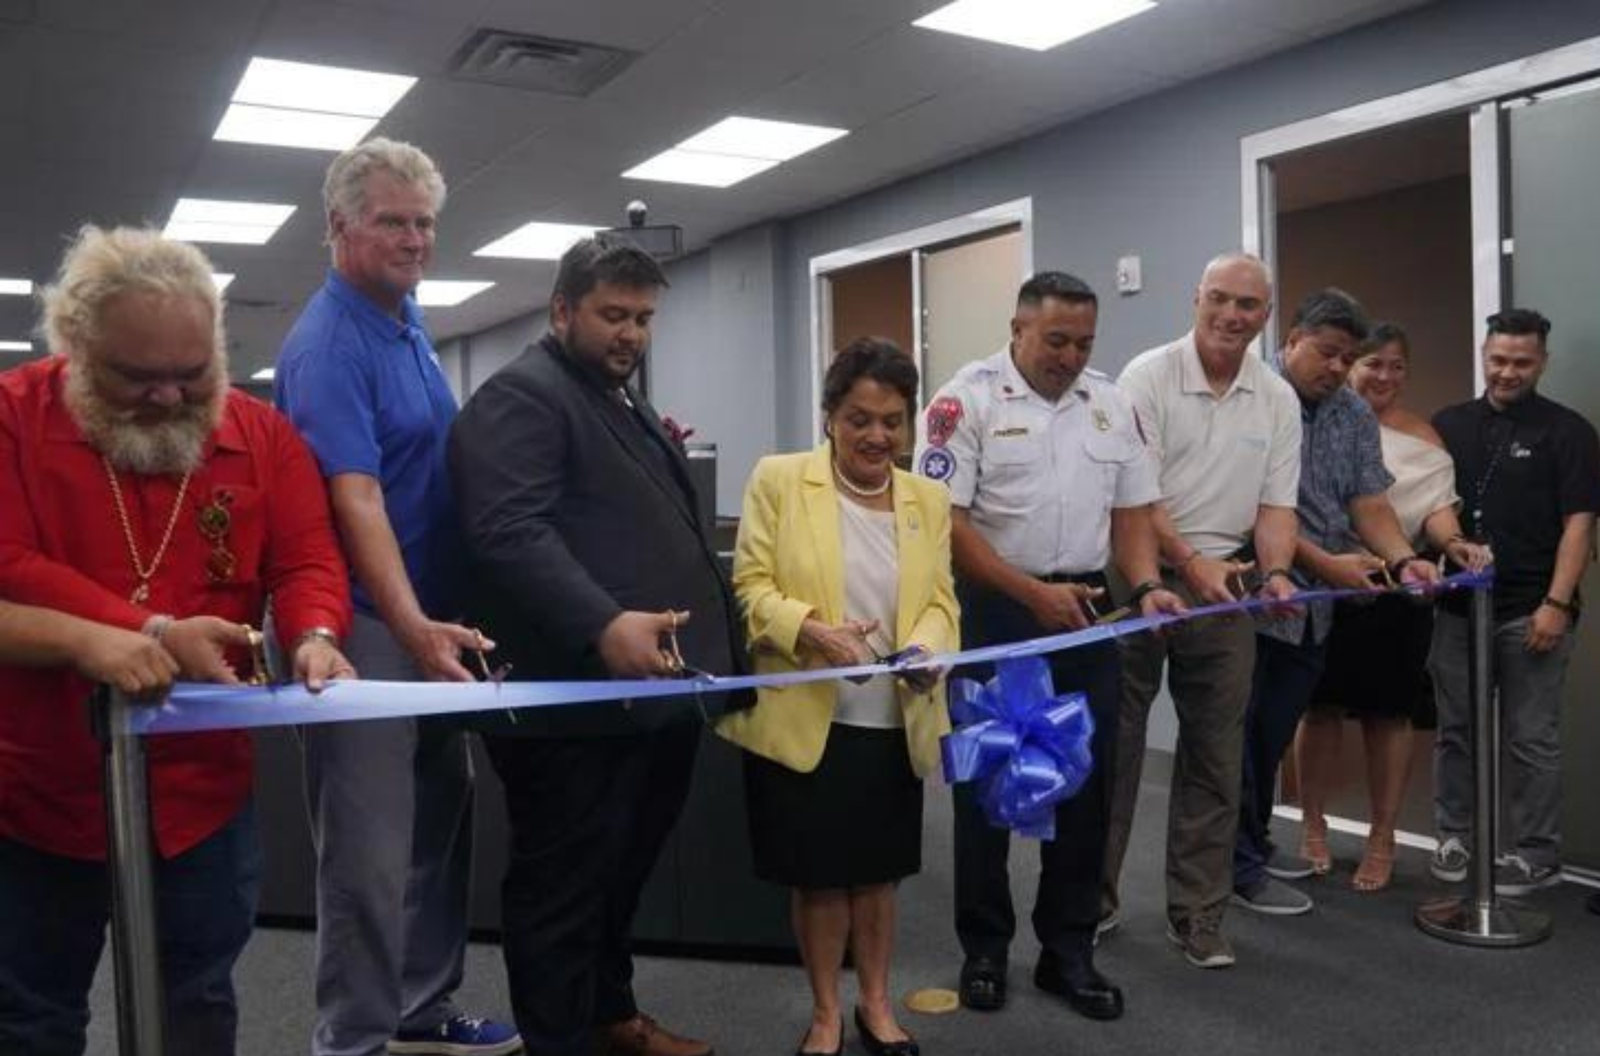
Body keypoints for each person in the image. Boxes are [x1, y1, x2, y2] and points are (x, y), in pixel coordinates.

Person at [0, 225, 354, 1056]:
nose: (168, 398)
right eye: (138, 378)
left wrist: (315, 634)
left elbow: (306, 557)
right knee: (31, 1014)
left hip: (203, 795)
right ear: (76, 347)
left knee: (197, 998)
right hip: (37, 789)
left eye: (191, 375)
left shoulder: (261, 436)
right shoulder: (14, 420)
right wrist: (146, 630)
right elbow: (7, 562)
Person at [450, 234, 747, 1056]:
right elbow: (507, 531)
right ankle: (562, 1044)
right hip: (573, 704)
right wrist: (601, 621)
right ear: (561, 310)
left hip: (647, 700)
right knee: (562, 890)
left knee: (619, 878)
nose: (631, 334)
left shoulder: (617, 396)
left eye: (644, 318)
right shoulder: (524, 396)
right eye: (614, 315)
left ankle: (611, 1017)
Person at [275, 137, 519, 1056]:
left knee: (440, 825)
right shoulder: (330, 343)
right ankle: (354, 1037)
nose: (416, 239)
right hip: (363, 626)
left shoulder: (404, 320)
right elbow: (356, 497)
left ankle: (419, 1007)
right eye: (393, 221)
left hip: (427, 620)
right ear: (339, 226)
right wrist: (413, 626)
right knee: (369, 854)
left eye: (425, 222)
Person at [915, 272, 1185, 1019]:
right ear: (1018, 328)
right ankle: (985, 949)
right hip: (997, 612)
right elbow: (948, 523)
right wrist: (1031, 595)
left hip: (1086, 612)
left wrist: (1142, 590)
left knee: (1085, 787)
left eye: (1083, 342)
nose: (1070, 356)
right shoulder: (961, 400)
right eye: (1056, 340)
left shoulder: (1112, 403)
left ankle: (1068, 953)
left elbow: (1134, 516)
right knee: (986, 788)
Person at [719, 337, 959, 1056]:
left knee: (879, 875)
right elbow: (749, 590)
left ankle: (876, 1008)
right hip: (808, 713)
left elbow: (942, 601)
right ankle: (826, 1014)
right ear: (829, 416)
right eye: (859, 418)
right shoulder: (780, 480)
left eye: (892, 420)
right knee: (822, 879)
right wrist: (815, 633)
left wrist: (927, 648)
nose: (877, 435)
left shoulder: (929, 497)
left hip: (893, 715)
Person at [1104, 253, 1300, 969]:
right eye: (1219, 298)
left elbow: (1276, 507)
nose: (1231, 315)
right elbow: (1139, 500)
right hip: (1138, 568)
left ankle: (1198, 916)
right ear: (1195, 299)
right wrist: (1188, 565)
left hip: (1228, 583)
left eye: (1247, 304)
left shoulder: (1275, 399)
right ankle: (1094, 903)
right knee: (1118, 748)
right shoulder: (1146, 378)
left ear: (1265, 315)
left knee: (1217, 758)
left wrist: (1275, 573)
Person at [1229, 292, 1443, 918]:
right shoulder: (1256, 396)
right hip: (1254, 597)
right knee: (1237, 741)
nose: (1338, 367)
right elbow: (1255, 509)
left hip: (1315, 610)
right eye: (1327, 353)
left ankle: (1254, 842)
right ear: (1291, 338)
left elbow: (1369, 502)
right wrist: (1327, 566)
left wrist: (1404, 559)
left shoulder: (1350, 411)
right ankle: (1235, 863)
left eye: (1348, 356)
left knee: (1269, 739)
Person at [1294, 323, 1490, 892]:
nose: (1383, 376)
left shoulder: (1424, 437)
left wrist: (1452, 545)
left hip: (1399, 585)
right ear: (1350, 366)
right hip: (1323, 581)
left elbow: (1436, 511)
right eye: (1371, 364)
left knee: (1389, 714)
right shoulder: (1319, 422)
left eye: (1396, 366)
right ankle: (1311, 825)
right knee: (1320, 710)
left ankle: (1382, 837)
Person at [1430, 308, 1600, 894]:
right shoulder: (1448, 424)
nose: (1507, 372)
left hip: (1532, 610)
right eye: (1498, 359)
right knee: (1456, 730)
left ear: (1542, 363)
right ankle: (1455, 836)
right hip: (1457, 611)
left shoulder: (1569, 432)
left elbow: (1580, 526)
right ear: (1484, 354)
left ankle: (1536, 854)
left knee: (1531, 739)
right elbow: (1429, 506)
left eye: (1521, 362)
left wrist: (1557, 603)